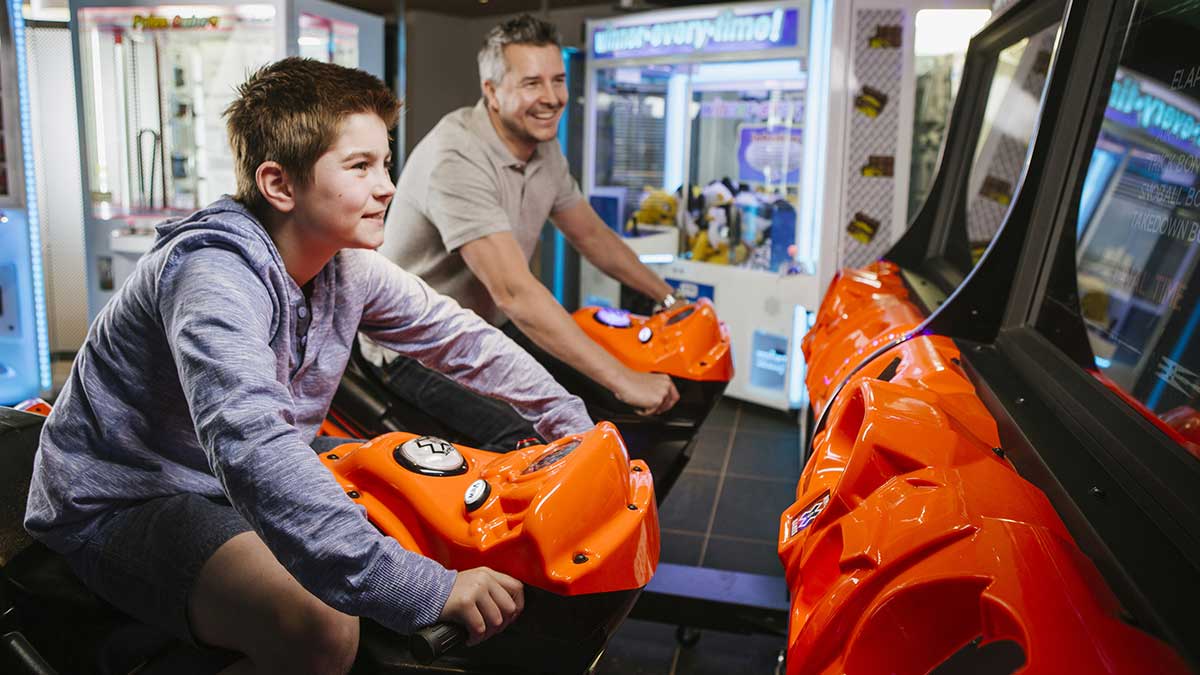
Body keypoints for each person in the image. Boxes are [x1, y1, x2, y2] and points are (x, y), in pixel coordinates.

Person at [24, 57, 595, 675]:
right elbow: (251, 443)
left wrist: (573, 429)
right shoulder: (211, 274)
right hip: (128, 497)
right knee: (321, 626)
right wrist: (426, 591)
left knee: (430, 491)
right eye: (360, 166)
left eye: (385, 162)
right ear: (280, 185)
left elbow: (462, 339)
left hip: (221, 478)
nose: (388, 186)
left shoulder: (344, 263)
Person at [367, 14, 681, 451]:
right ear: (492, 92)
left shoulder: (544, 147)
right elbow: (514, 292)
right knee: (538, 443)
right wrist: (625, 380)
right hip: (414, 346)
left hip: (485, 328)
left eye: (558, 81)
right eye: (532, 83)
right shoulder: (456, 156)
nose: (552, 98)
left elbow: (592, 236)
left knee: (597, 410)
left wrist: (669, 299)